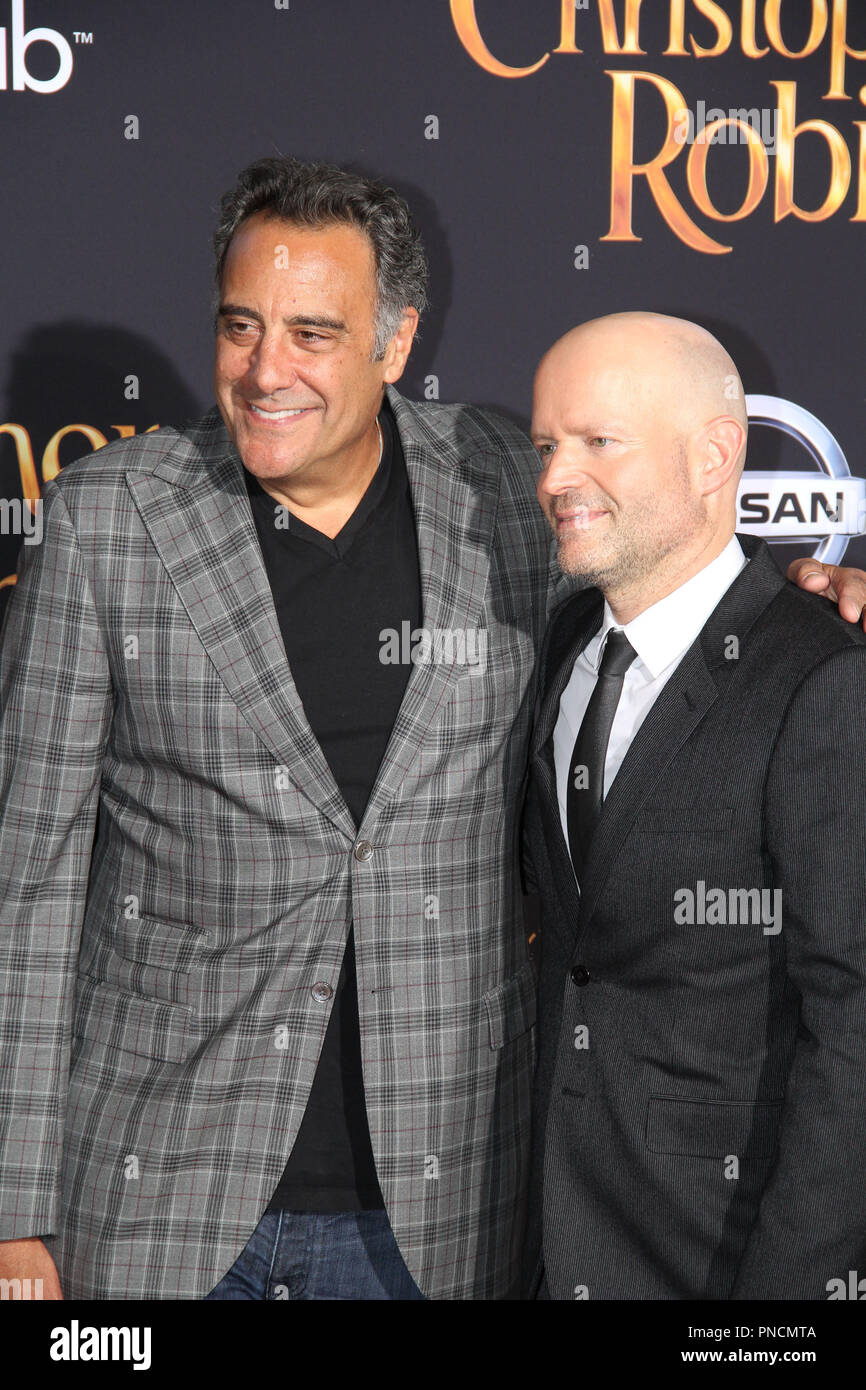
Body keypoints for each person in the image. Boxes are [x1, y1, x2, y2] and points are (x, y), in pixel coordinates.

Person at [0, 163, 862, 1302]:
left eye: (314, 332)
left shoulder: (509, 488)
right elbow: (29, 872)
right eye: (242, 325)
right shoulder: (110, 516)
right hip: (158, 1195)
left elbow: (667, 574)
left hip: (441, 1210)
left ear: (396, 342)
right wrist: (17, 1210)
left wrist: (803, 598)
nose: (267, 370)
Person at [522, 311, 866, 1300]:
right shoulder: (561, 643)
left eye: (597, 441)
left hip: (716, 1258)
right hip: (546, 1244)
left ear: (714, 454)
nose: (552, 477)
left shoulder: (818, 675)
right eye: (547, 445)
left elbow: (852, 1029)